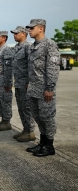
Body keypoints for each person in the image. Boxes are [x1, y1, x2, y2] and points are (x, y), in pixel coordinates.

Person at [25, 19, 60, 157]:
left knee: (47, 117)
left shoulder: (49, 45)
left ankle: (49, 146)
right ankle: (42, 143)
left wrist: (50, 88)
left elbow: (52, 68)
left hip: (45, 89)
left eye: (32, 28)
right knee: (38, 117)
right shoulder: (33, 46)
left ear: (41, 28)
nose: (29, 30)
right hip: (34, 88)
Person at [11, 26, 35, 142]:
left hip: (25, 83)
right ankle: (25, 129)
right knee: (21, 108)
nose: (14, 35)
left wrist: (30, 81)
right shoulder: (16, 48)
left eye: (16, 33)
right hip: (18, 83)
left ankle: (30, 131)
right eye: (14, 33)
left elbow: (32, 65)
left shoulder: (28, 46)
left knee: (27, 108)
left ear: (23, 34)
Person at [0, 31, 13, 131]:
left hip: (4, 80)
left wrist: (8, 83)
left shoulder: (7, 50)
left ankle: (7, 121)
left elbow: (8, 68)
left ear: (4, 38)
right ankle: (3, 119)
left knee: (5, 101)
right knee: (0, 101)